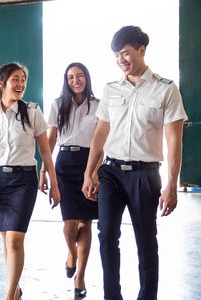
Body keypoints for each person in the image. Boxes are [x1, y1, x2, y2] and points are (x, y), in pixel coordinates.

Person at [82, 26, 187, 300]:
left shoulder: (166, 90)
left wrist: (172, 184)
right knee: (106, 237)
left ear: (141, 51)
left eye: (125, 53)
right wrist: (89, 172)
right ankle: (111, 296)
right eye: (117, 55)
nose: (121, 60)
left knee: (146, 241)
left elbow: (174, 141)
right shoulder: (111, 90)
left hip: (145, 175)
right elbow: (101, 133)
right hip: (111, 173)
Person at [0, 62, 61, 300]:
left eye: (23, 79)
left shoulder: (32, 111)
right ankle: (16, 289)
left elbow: (45, 152)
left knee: (16, 239)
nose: (20, 84)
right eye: (15, 80)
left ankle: (9, 295)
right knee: (6, 239)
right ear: (2, 84)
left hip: (24, 181)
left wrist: (54, 183)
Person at [39, 62, 99, 298]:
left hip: (89, 162)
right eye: (71, 77)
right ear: (66, 80)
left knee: (86, 222)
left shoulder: (98, 106)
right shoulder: (57, 105)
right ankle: (71, 254)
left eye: (80, 75)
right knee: (70, 222)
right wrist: (44, 170)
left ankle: (80, 277)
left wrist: (94, 170)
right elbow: (50, 139)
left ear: (87, 78)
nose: (75, 80)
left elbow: (99, 141)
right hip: (64, 163)